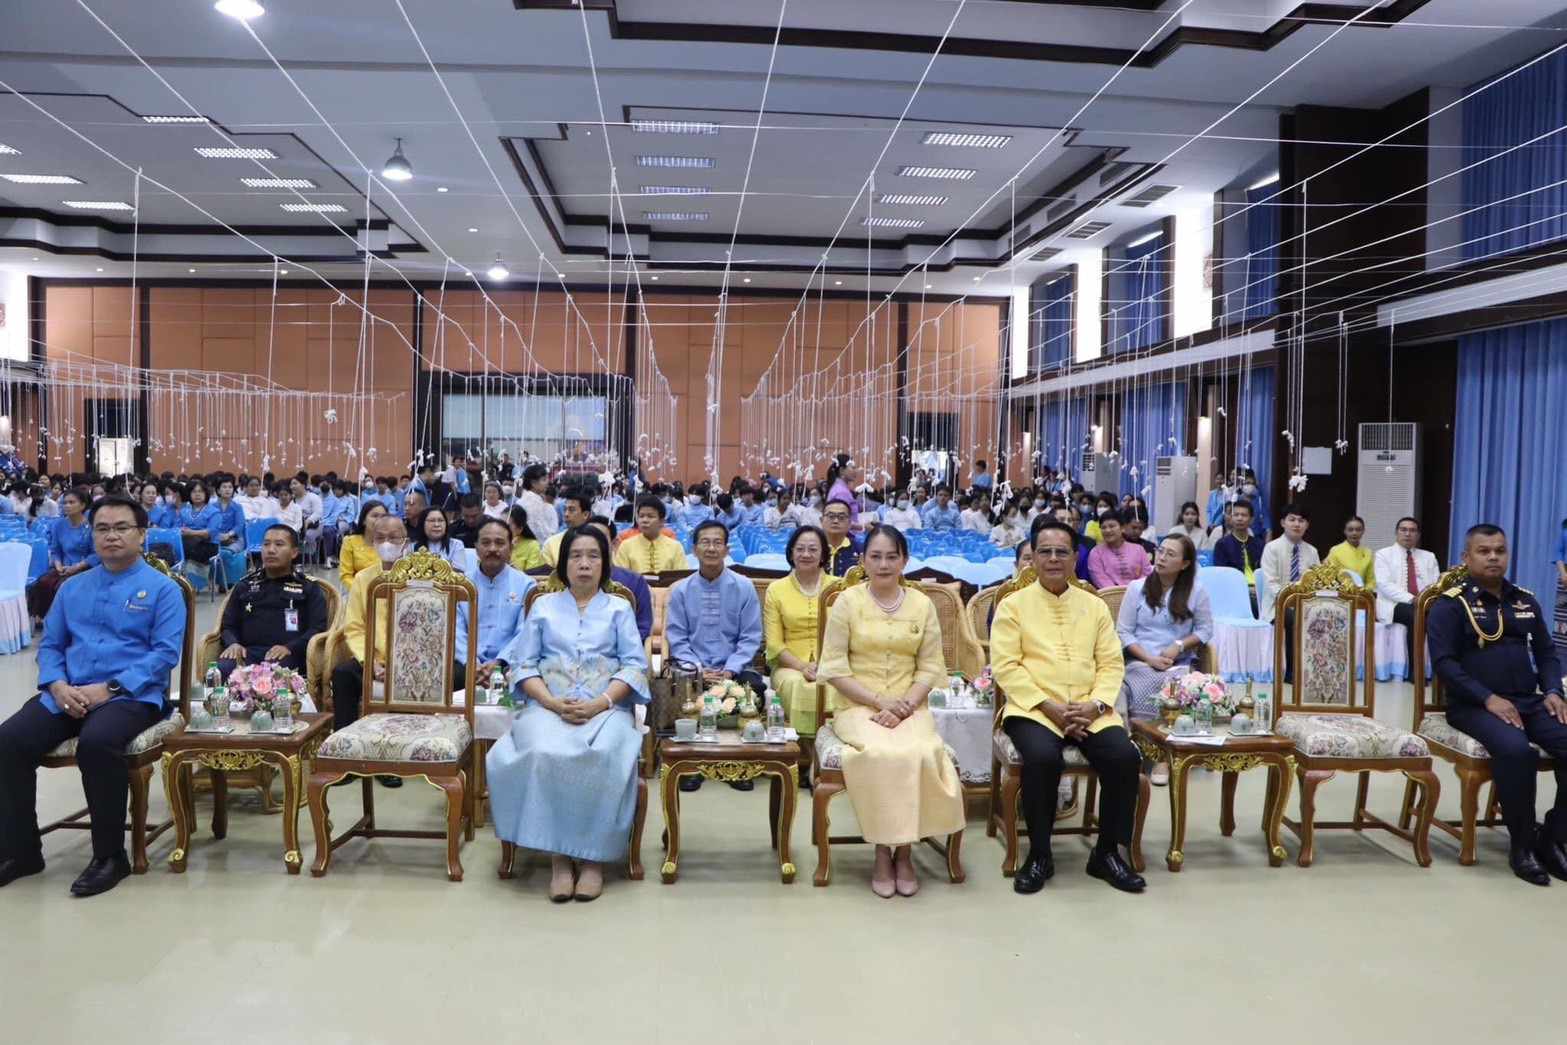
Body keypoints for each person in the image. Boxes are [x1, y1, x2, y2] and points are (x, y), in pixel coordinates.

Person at [0, 494, 183, 897]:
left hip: (131, 697)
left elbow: (164, 655)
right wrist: (57, 685)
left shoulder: (163, 590)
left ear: (142, 534)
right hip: (67, 692)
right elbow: (51, 646)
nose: (111, 536)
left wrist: (110, 688)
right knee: (8, 741)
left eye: (121, 528)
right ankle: (21, 851)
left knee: (97, 743)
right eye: (102, 529)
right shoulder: (72, 588)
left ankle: (109, 856)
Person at [487, 525, 650, 902]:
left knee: (603, 752)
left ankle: (592, 860)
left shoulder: (619, 608)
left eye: (593, 556)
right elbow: (524, 666)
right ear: (563, 564)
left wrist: (600, 702)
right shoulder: (543, 606)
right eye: (576, 556)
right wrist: (552, 703)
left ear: (604, 563)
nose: (584, 564)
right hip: (549, 706)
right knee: (542, 751)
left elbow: (633, 666)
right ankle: (559, 859)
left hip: (606, 708)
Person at [990, 519, 1146, 895]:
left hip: (1090, 709)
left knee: (1124, 757)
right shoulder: (1012, 605)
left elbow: (1111, 663)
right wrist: (1049, 706)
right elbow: (1006, 666)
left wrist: (1096, 704)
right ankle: (1039, 854)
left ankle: (1106, 853)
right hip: (1033, 709)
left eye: (1062, 552)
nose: (1053, 559)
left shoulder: (1094, 606)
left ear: (1075, 558)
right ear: (1033, 558)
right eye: (1045, 551)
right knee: (1043, 758)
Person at [818, 524, 964, 898]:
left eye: (891, 557)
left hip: (910, 705)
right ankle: (884, 850)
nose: (883, 564)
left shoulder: (922, 605)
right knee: (881, 752)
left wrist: (905, 706)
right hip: (857, 706)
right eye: (876, 556)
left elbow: (930, 667)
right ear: (863, 560)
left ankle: (905, 851)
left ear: (904, 561)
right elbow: (834, 668)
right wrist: (879, 702)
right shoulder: (846, 602)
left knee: (920, 750)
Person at [1427, 524, 1567, 885]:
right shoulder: (1450, 605)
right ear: (1466, 557)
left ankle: (1554, 836)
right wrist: (1488, 698)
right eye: (1484, 551)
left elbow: (1547, 653)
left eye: (1500, 551)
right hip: (1474, 706)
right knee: (1517, 751)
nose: (1493, 557)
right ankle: (1522, 847)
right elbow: (1444, 664)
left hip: (1529, 702)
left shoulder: (1524, 600)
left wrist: (1554, 691)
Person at [664, 519, 764, 793]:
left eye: (717, 542)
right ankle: (691, 765)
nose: (711, 548)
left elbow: (750, 637)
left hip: (734, 669)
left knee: (753, 688)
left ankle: (738, 765)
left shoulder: (743, 587)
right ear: (694, 549)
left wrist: (730, 670)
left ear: (727, 549)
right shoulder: (681, 590)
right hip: (693, 668)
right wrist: (698, 668)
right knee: (677, 686)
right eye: (705, 542)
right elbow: (677, 637)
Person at [1117, 534, 1213, 786]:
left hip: (1176, 664)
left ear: (1184, 564)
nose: (1161, 558)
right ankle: (1131, 750)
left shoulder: (1196, 591)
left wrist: (1179, 645)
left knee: (1177, 688)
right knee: (1127, 686)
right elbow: (1124, 632)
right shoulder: (1136, 588)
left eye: (1170, 554)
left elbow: (1205, 630)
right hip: (1140, 660)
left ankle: (1164, 755)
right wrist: (1149, 658)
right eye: (1160, 551)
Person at [330, 515, 409, 789]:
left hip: (409, 660)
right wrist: (370, 662)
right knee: (342, 674)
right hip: (372, 657)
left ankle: (388, 762)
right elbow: (354, 627)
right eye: (380, 538)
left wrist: (401, 662)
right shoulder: (363, 579)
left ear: (405, 541)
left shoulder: (419, 577)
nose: (387, 543)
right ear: (373, 542)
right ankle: (346, 758)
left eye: (394, 538)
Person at [216, 524, 330, 678]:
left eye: (279, 544)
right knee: (221, 670)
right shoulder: (245, 585)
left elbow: (317, 628)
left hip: (288, 655)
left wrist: (290, 648)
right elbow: (228, 625)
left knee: (276, 674)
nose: (271, 550)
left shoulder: (308, 587)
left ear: (294, 552)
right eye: (266, 544)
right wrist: (233, 643)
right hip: (247, 653)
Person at [763, 525, 828, 751]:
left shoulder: (838, 588)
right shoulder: (776, 589)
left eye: (813, 549)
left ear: (823, 554)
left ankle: (829, 753)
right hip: (789, 665)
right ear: (791, 553)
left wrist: (827, 665)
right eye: (800, 549)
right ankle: (801, 754)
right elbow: (774, 644)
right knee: (797, 684)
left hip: (832, 663)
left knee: (836, 684)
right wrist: (802, 667)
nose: (806, 554)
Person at [454, 518, 535, 691]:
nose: (492, 549)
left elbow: (525, 631)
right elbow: (456, 630)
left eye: (499, 543)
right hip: (465, 664)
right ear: (476, 547)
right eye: (485, 543)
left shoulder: (526, 585)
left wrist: (499, 662)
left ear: (510, 548)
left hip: (510, 662)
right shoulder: (461, 585)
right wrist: (471, 663)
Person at [1373, 516, 1441, 675]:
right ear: (1396, 533)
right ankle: (1415, 672)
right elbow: (1384, 585)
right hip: (1393, 604)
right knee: (1416, 616)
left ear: (1418, 535)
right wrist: (1412, 599)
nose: (1408, 534)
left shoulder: (1429, 556)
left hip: (1424, 603)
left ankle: (1441, 670)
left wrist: (1426, 599)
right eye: (1403, 530)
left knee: (1442, 614)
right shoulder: (1383, 554)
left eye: (1412, 530)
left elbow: (1436, 583)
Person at [1260, 503, 1319, 683]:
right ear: (1283, 523)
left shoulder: (1312, 551)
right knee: (1294, 617)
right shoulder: (1272, 548)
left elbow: (1316, 581)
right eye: (1292, 519)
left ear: (1307, 525)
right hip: (1277, 604)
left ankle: (1318, 669)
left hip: (1305, 602)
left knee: (1324, 614)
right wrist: (1290, 600)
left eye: (1301, 520)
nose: (1296, 524)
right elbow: (1271, 583)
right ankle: (1292, 672)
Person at [28, 488, 97, 621]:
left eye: (72, 502)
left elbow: (96, 555)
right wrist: (58, 564)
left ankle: (62, 621)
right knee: (42, 583)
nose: (67, 506)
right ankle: (43, 618)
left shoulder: (91, 527)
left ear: (82, 505)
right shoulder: (58, 525)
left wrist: (77, 567)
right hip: (63, 568)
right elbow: (55, 550)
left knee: (62, 587)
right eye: (65, 503)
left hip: (86, 568)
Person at [586, 517, 652, 642]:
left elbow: (643, 627)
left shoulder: (635, 581)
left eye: (599, 539)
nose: (592, 545)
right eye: (587, 539)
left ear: (614, 543)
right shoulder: (571, 580)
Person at [613, 495, 687, 574]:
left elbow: (683, 577)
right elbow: (620, 577)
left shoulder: (675, 547)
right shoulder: (626, 546)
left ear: (662, 521)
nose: (644, 520)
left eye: (650, 516)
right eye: (641, 516)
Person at [1210, 498, 1265, 600]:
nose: (1239, 518)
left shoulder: (1259, 544)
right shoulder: (1222, 544)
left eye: (1244, 515)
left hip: (1258, 591)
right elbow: (1222, 575)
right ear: (1231, 518)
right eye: (1236, 515)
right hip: (1234, 592)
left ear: (1251, 520)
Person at [1087, 509, 1152, 589]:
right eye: (1103, 527)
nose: (1107, 530)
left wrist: (1134, 591)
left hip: (1138, 593)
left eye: (1112, 526)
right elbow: (1100, 579)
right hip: (1109, 594)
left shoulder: (1139, 550)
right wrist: (1119, 593)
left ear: (1122, 528)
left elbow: (1147, 574)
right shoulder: (1096, 553)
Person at [339, 500, 388, 589]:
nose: (379, 520)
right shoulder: (350, 542)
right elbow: (346, 576)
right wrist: (364, 590)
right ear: (364, 520)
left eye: (383, 517)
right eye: (375, 516)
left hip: (383, 592)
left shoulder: (390, 544)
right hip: (357, 590)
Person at [540, 492, 592, 567]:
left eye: (571, 510)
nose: (566, 514)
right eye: (565, 509)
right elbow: (545, 573)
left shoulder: (597, 542)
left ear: (585, 514)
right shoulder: (551, 544)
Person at [517, 464, 558, 544]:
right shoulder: (534, 503)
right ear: (533, 483)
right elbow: (541, 532)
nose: (548, 482)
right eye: (544, 479)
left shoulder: (521, 501)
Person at [1326, 516, 1374, 585]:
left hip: (1362, 591)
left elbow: (1371, 580)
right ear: (1345, 531)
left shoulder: (1368, 553)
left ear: (1363, 531)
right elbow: (1328, 577)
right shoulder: (1335, 550)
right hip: (1341, 590)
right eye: (1350, 530)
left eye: (1358, 530)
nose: (1354, 533)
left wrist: (1365, 590)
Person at [821, 499, 861, 576]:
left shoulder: (860, 550)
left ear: (850, 523)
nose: (835, 521)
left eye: (841, 517)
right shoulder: (813, 548)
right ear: (821, 520)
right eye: (831, 516)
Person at [507, 506, 547, 571]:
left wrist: (509, 561)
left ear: (520, 528)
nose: (501, 528)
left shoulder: (532, 546)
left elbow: (531, 574)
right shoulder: (495, 543)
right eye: (500, 524)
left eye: (507, 526)